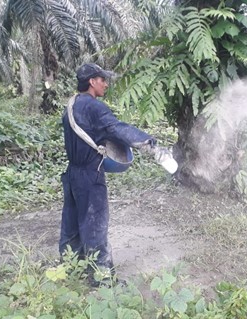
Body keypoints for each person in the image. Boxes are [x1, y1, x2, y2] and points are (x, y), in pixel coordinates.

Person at [59, 63, 155, 286]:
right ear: (92, 81)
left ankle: (72, 269)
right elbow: (115, 128)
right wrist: (147, 142)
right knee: (95, 226)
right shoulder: (94, 107)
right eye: (103, 80)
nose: (106, 84)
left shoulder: (71, 106)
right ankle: (102, 281)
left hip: (72, 173)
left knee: (72, 225)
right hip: (90, 177)